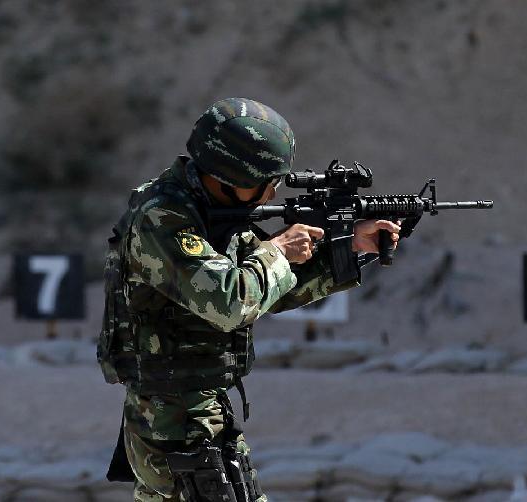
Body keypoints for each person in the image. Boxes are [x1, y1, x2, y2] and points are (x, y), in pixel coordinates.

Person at [97, 97, 400, 501]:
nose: (273, 190)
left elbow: (266, 292)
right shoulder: (164, 218)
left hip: (189, 409)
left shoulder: (212, 210)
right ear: (229, 176)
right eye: (267, 180)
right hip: (176, 418)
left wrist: (347, 248)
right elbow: (229, 302)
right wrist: (277, 250)